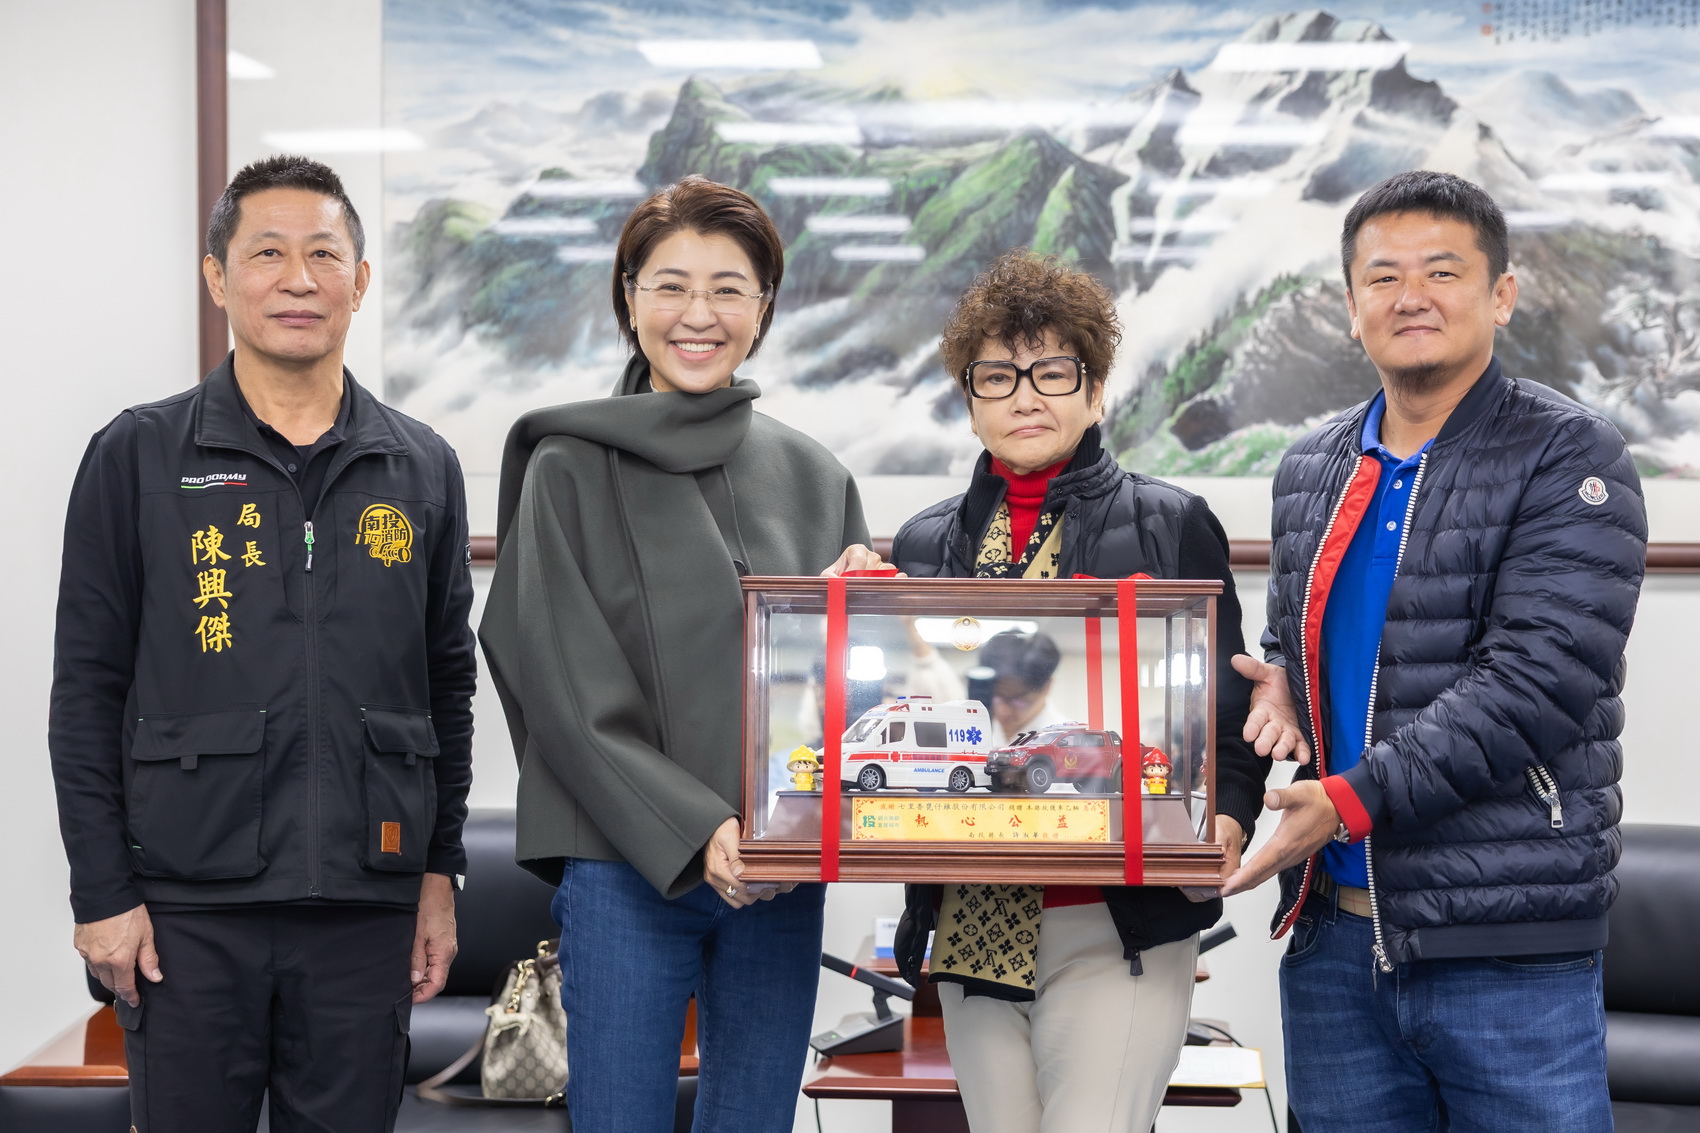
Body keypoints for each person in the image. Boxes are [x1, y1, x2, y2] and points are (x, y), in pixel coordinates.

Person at [48, 155, 477, 1132]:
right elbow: (86, 690)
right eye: (267, 254)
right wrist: (102, 891)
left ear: (359, 281)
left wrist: (437, 873)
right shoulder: (137, 455)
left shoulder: (420, 466)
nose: (298, 280)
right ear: (218, 277)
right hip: (188, 908)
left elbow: (446, 685)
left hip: (365, 903)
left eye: (323, 255)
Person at [1224, 170, 1647, 1133]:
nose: (1410, 296)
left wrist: (1347, 799)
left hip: (1509, 947)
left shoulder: (1571, 455)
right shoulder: (1311, 468)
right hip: (1335, 941)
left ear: (1502, 294)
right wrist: (1282, 685)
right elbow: (1293, 631)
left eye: (1442, 271)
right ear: (1351, 307)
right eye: (1383, 277)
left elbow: (1534, 684)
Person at [479, 176, 881, 1133]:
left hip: (778, 878)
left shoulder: (816, 476)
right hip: (623, 867)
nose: (698, 314)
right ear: (629, 299)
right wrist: (700, 831)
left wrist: (870, 613)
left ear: (764, 307)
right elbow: (565, 694)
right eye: (670, 285)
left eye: (728, 288)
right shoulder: (566, 468)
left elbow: (854, 701)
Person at [888, 250, 1267, 1133]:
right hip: (974, 922)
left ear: (1095, 391)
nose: (1026, 395)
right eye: (998, 375)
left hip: (1116, 919)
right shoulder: (919, 545)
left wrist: (1229, 816)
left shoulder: (1172, 524)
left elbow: (1230, 713)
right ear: (970, 400)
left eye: (1053, 371)